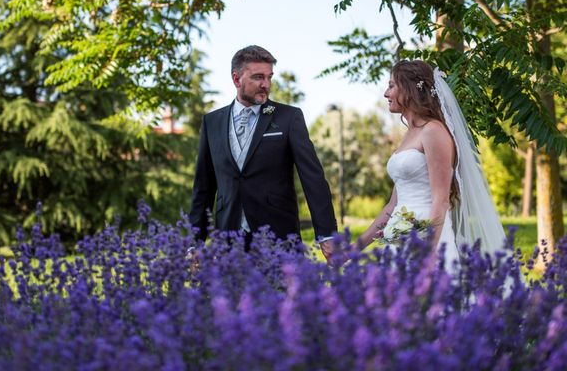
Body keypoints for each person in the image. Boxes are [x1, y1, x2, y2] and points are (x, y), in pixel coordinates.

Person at [354, 60, 508, 270]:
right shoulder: (409, 135)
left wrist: (428, 257)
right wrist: (352, 250)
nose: (385, 93)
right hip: (399, 242)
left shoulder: (434, 131)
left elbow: (441, 200)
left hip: (429, 241)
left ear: (409, 89)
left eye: (391, 85)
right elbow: (392, 207)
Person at [189, 45, 337, 262]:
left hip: (279, 238)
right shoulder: (212, 122)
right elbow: (203, 187)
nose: (266, 84)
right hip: (228, 240)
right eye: (258, 77)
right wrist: (195, 242)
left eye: (269, 77)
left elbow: (313, 178)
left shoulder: (289, 118)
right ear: (236, 79)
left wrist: (326, 234)